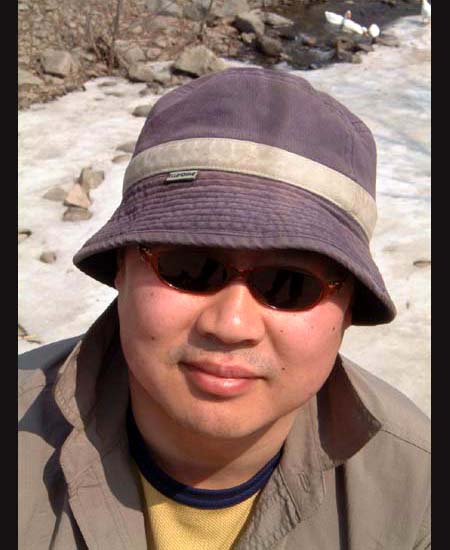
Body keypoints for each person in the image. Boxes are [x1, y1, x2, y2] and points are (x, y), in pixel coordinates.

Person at [18, 67, 430, 549]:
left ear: (348, 309)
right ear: (120, 269)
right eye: (189, 268)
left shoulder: (418, 495)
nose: (231, 324)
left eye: (290, 286)